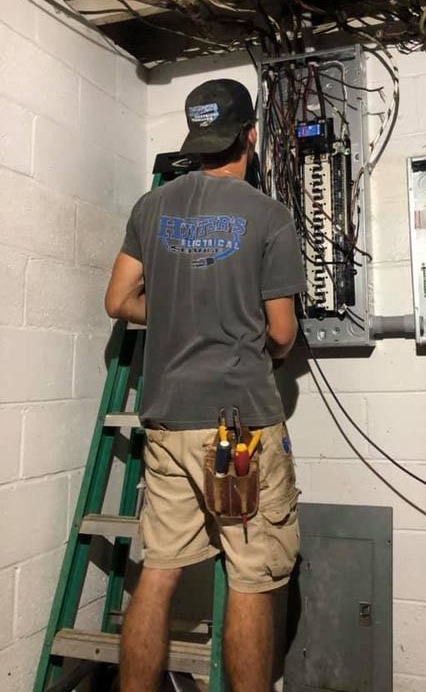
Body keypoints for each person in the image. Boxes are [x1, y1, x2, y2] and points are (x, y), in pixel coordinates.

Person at [104, 78, 307, 692]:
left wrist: (168, 310)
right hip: (239, 427)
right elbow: (280, 332)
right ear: (250, 136)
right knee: (251, 577)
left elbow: (118, 300)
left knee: (158, 572)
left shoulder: (151, 206)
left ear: (197, 136)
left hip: (167, 421)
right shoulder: (269, 216)